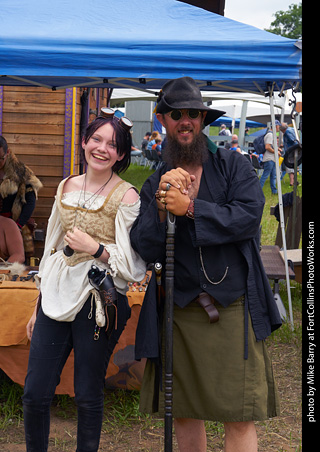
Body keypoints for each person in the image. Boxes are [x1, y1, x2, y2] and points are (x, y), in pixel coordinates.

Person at [130, 77, 281, 452]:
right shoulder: (155, 182)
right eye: (177, 114)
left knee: (239, 413)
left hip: (232, 306)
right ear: (163, 120)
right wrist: (162, 204)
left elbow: (248, 216)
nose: (186, 121)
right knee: (183, 410)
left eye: (193, 114)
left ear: (203, 120)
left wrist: (192, 208)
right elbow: (143, 246)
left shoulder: (232, 165)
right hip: (179, 313)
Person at [22, 108, 146, 452]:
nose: (102, 149)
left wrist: (97, 249)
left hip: (99, 300)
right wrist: (38, 303)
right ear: (84, 142)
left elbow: (135, 266)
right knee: (34, 394)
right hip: (56, 295)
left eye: (112, 144)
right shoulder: (66, 185)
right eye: (96, 140)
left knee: (87, 393)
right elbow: (50, 250)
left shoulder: (127, 195)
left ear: (121, 154)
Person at [0, 135, 42, 229]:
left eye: (0, 159)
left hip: (12, 225)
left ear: (7, 152)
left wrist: (18, 226)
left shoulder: (21, 172)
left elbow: (30, 201)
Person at [259, 121, 282, 195]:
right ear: (276, 126)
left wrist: (278, 149)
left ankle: (274, 192)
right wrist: (276, 152)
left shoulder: (272, 135)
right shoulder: (270, 135)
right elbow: (267, 147)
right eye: (278, 126)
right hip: (269, 159)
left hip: (273, 159)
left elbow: (270, 146)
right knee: (265, 176)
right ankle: (258, 191)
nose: (279, 127)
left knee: (273, 176)